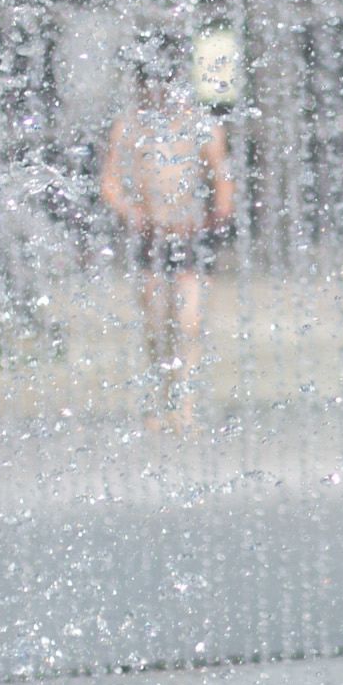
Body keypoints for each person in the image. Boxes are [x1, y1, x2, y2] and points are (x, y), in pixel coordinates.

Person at [99, 31, 235, 434]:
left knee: (189, 322)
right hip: (150, 235)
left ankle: (185, 404)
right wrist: (132, 213)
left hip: (190, 233)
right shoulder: (129, 126)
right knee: (157, 323)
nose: (156, 93)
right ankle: (161, 398)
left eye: (163, 83)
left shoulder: (201, 125)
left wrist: (220, 211)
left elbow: (222, 175)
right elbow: (109, 183)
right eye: (148, 85)